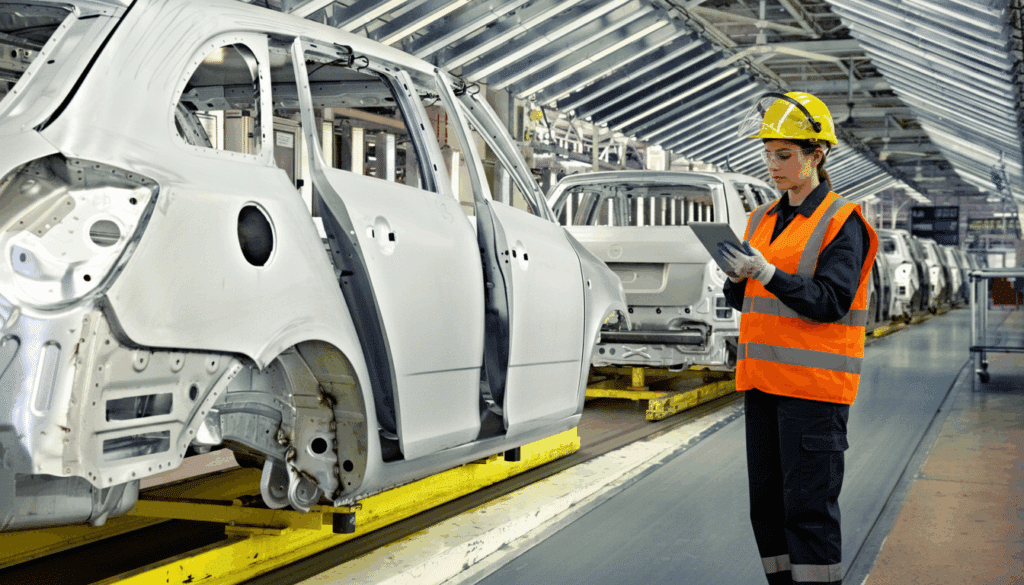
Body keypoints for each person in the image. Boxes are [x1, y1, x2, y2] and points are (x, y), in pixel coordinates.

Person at [720, 91, 879, 585]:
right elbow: (747, 302)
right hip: (763, 386)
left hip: (813, 390)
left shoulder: (842, 222)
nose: (773, 165)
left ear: (817, 155)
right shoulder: (761, 219)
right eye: (768, 154)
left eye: (784, 155)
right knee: (766, 510)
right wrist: (735, 276)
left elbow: (829, 302)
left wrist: (766, 273)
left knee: (808, 516)